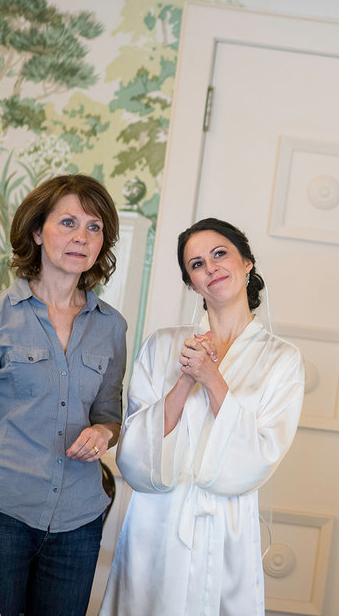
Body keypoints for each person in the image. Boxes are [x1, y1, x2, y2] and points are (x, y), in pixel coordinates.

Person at [0, 174, 127, 616]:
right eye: (68, 223)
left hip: (79, 524)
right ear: (37, 232)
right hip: (0, 515)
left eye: (94, 227)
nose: (82, 237)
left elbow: (109, 416)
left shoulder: (112, 327)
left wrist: (104, 432)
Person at [100, 218, 304, 616]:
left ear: (246, 262)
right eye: (196, 264)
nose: (209, 267)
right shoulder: (162, 346)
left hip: (225, 528)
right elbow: (136, 455)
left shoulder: (282, 360)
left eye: (219, 253)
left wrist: (212, 379)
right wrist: (185, 381)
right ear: (191, 283)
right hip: (155, 525)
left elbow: (260, 456)